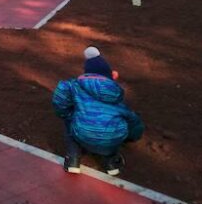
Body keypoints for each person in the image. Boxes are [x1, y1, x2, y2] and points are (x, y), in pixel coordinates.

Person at [52, 47, 144, 176]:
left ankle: (73, 160)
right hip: (111, 139)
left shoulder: (75, 86)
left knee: (70, 123)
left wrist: (66, 115)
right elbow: (132, 119)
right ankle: (111, 163)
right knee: (113, 130)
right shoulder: (116, 94)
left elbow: (60, 99)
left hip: (83, 134)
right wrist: (133, 136)